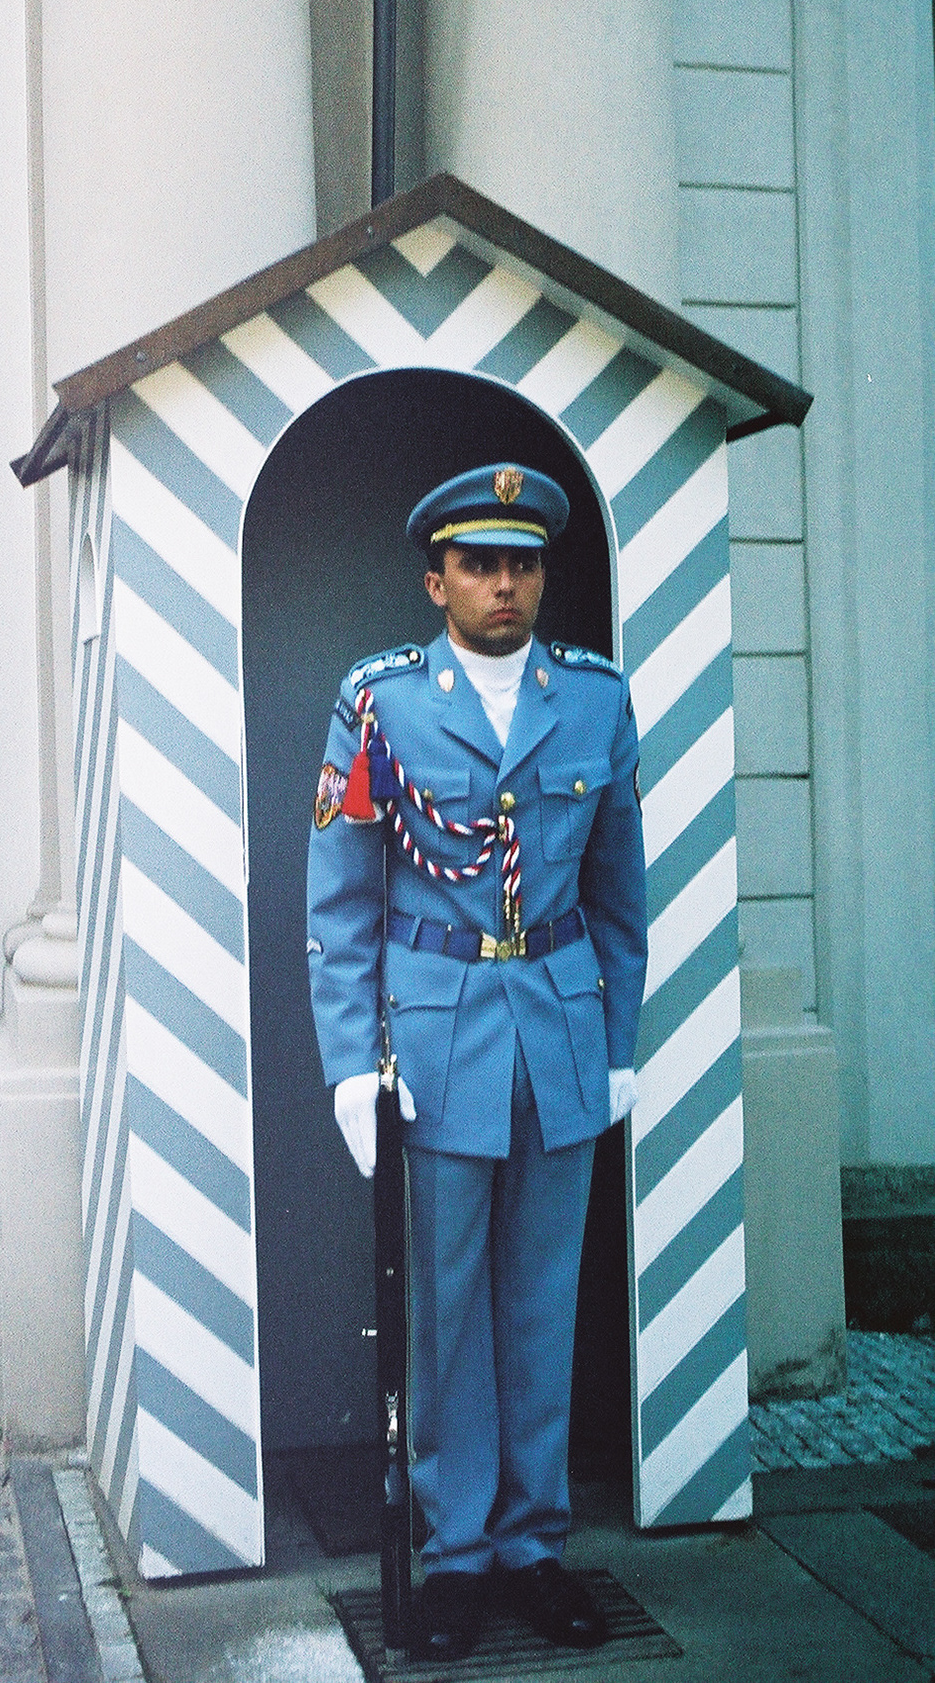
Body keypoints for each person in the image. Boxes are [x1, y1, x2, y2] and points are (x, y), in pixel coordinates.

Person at [306, 463, 648, 1661]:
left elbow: (619, 894)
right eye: (480, 564)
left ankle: (533, 1543)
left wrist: (618, 1044)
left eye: (524, 563)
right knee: (448, 1305)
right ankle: (454, 1553)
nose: (505, 583)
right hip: (439, 1036)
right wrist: (350, 1065)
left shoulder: (593, 700)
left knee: (541, 1299)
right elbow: (342, 899)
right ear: (436, 580)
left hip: (558, 1028)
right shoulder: (381, 703)